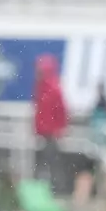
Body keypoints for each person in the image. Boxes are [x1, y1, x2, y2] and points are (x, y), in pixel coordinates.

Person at [31, 55, 68, 193]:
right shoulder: (40, 87)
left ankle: (57, 190)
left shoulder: (52, 88)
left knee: (52, 161)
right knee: (41, 161)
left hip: (50, 132)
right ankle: (40, 189)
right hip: (42, 131)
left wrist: (60, 128)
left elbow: (61, 110)